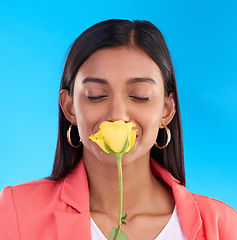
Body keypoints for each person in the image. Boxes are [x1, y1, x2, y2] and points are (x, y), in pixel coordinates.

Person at [0, 19, 236, 240]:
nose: (116, 116)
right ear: (69, 108)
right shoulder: (16, 210)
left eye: (140, 96)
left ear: (166, 110)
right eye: (96, 96)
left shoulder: (223, 224)